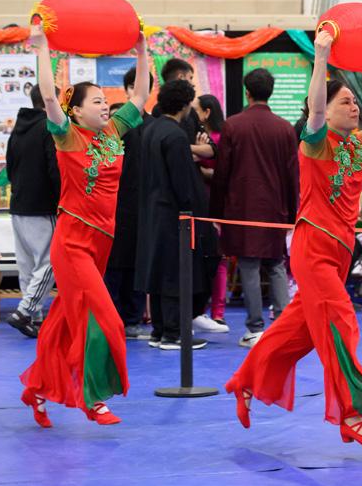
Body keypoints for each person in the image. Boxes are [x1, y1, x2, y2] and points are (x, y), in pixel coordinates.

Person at [225, 29, 362, 447]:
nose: (354, 106)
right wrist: (322, 55)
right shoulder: (315, 144)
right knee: (342, 322)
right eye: (344, 102)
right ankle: (351, 413)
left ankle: (244, 382)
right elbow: (313, 108)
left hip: (341, 251)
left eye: (354, 101)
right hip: (313, 248)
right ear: (326, 112)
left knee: (294, 334)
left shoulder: (359, 146)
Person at [19, 24, 150, 427]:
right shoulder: (66, 136)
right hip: (73, 244)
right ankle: (93, 399)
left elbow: (141, 95)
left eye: (105, 100)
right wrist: (42, 47)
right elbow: (48, 96)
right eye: (96, 101)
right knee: (105, 320)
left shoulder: (113, 132)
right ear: (75, 111)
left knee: (61, 325)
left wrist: (142, 49)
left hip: (102, 243)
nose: (105, 106)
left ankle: (37, 389)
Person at [210, 68, 299, 348]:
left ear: (246, 92)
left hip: (242, 208)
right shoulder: (284, 128)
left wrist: (216, 212)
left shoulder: (233, 125)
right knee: (276, 264)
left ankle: (255, 329)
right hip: (275, 208)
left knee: (249, 265)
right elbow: (292, 175)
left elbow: (222, 173)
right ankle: (284, 326)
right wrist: (293, 212)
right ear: (270, 92)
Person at [135, 80, 219, 350]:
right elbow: (183, 183)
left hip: (151, 211)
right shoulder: (176, 135)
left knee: (158, 272)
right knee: (175, 273)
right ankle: (173, 334)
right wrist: (193, 212)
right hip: (174, 216)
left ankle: (160, 330)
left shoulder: (150, 129)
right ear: (184, 105)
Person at [5, 85, 61, 338]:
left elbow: (9, 166)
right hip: (43, 205)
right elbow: (55, 169)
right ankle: (25, 311)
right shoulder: (49, 127)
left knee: (28, 265)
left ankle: (34, 316)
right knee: (50, 261)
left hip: (19, 204)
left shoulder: (18, 129)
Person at [103, 67, 154, 340]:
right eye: (132, 86)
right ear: (126, 90)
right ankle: (110, 318)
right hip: (114, 204)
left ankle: (133, 319)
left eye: (142, 86)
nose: (137, 91)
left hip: (147, 206)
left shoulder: (155, 126)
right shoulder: (114, 126)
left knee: (138, 263)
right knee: (113, 264)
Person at [193, 94, 231, 332]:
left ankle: (217, 312)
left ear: (207, 113)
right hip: (202, 204)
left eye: (196, 110)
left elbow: (224, 172)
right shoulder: (200, 136)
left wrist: (200, 166)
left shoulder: (219, 138)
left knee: (219, 258)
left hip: (216, 205)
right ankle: (207, 310)